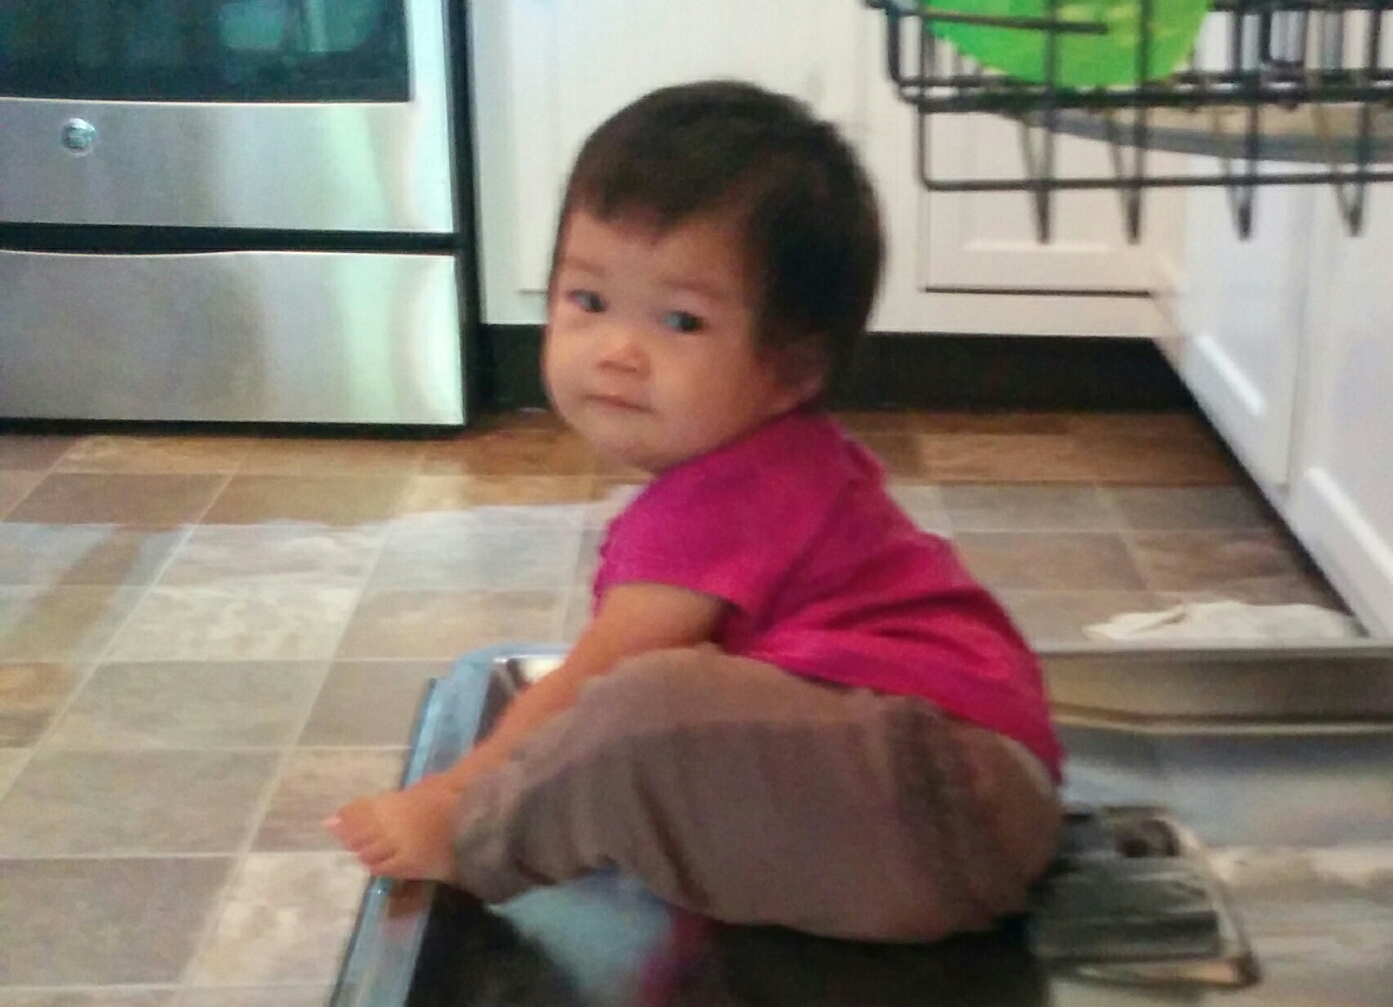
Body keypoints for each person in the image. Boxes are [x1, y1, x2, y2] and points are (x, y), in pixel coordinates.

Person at [329, 82, 1065, 942]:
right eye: (588, 299)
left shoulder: (734, 495)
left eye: (680, 320)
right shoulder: (773, 466)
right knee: (653, 721)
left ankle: (480, 841)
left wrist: (460, 799)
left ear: (792, 371)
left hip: (941, 792)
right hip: (952, 804)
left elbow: (595, 682)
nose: (618, 350)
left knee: (637, 707)